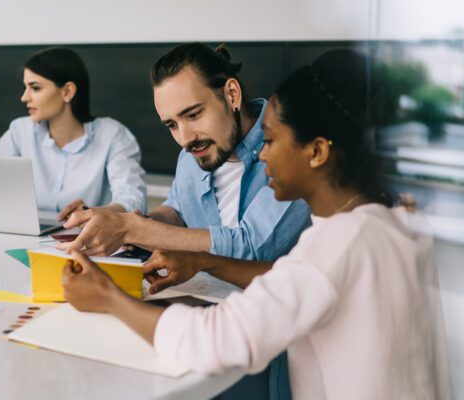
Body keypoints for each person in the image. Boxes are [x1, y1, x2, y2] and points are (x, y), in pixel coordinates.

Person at [61, 49, 451, 399]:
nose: (260, 155)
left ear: (316, 151)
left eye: (269, 139)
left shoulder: (336, 244)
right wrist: (205, 261)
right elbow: (292, 275)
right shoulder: (399, 223)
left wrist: (108, 297)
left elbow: (215, 339)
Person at [57, 43, 311, 262]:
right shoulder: (191, 155)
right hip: (201, 297)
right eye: (171, 125)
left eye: (194, 115)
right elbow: (177, 212)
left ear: (231, 95)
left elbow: (254, 248)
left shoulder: (293, 146)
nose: (185, 139)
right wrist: (126, 221)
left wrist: (133, 229)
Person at [0, 47, 146, 218]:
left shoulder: (113, 135)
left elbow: (133, 201)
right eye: (25, 87)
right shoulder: (20, 131)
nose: (24, 97)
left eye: (35, 88)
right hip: (29, 235)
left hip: (86, 238)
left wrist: (93, 213)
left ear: (67, 92)